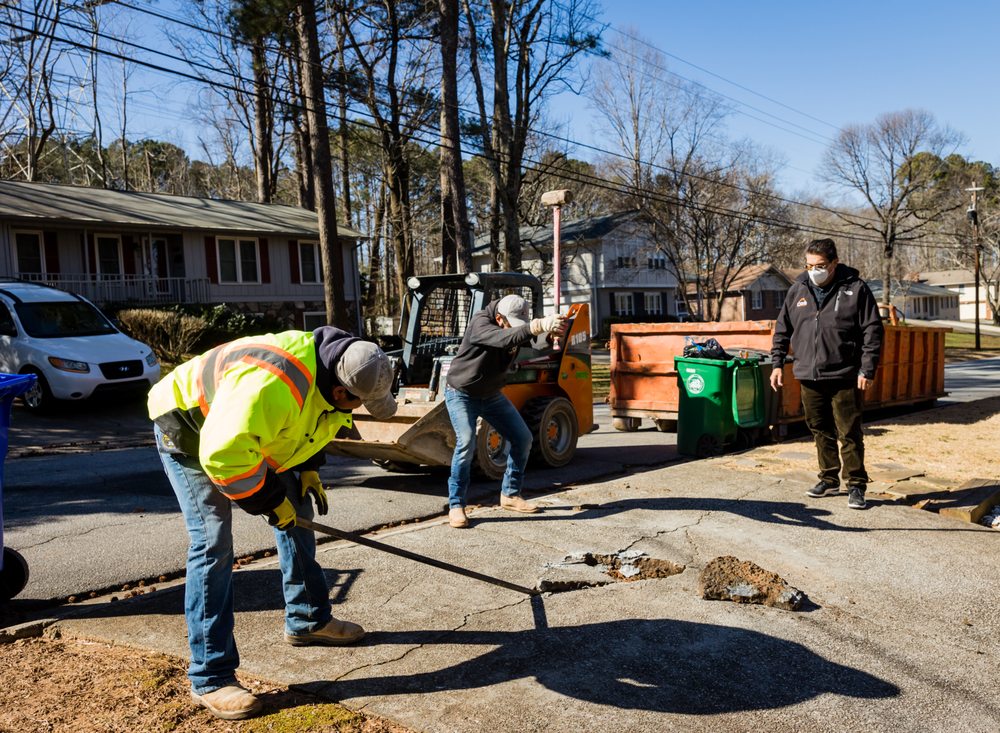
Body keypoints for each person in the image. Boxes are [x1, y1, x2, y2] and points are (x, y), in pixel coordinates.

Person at [148, 327, 397, 720]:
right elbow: (224, 454)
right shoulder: (274, 383)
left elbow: (306, 425)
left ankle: (308, 619)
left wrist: (308, 469)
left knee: (300, 513)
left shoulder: (336, 364)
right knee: (213, 540)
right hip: (190, 429)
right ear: (339, 391)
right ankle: (210, 675)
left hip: (240, 426)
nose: (360, 409)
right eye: (360, 403)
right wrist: (268, 501)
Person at [770, 238, 884, 510]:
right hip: (809, 374)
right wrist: (777, 364)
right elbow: (782, 330)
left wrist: (867, 368)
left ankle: (855, 484)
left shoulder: (855, 289)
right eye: (809, 265)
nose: (814, 270)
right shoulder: (798, 289)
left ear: (834, 263)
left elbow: (873, 331)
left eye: (820, 265)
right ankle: (828, 478)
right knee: (819, 429)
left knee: (849, 432)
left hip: (845, 374)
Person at [444, 294, 565, 528]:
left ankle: (510, 495)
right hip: (461, 394)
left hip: (490, 395)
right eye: (511, 324)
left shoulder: (510, 325)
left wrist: (549, 335)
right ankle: (456, 504)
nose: (514, 329)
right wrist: (537, 325)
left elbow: (532, 342)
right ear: (499, 318)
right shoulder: (480, 324)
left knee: (523, 438)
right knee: (466, 443)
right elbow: (502, 339)